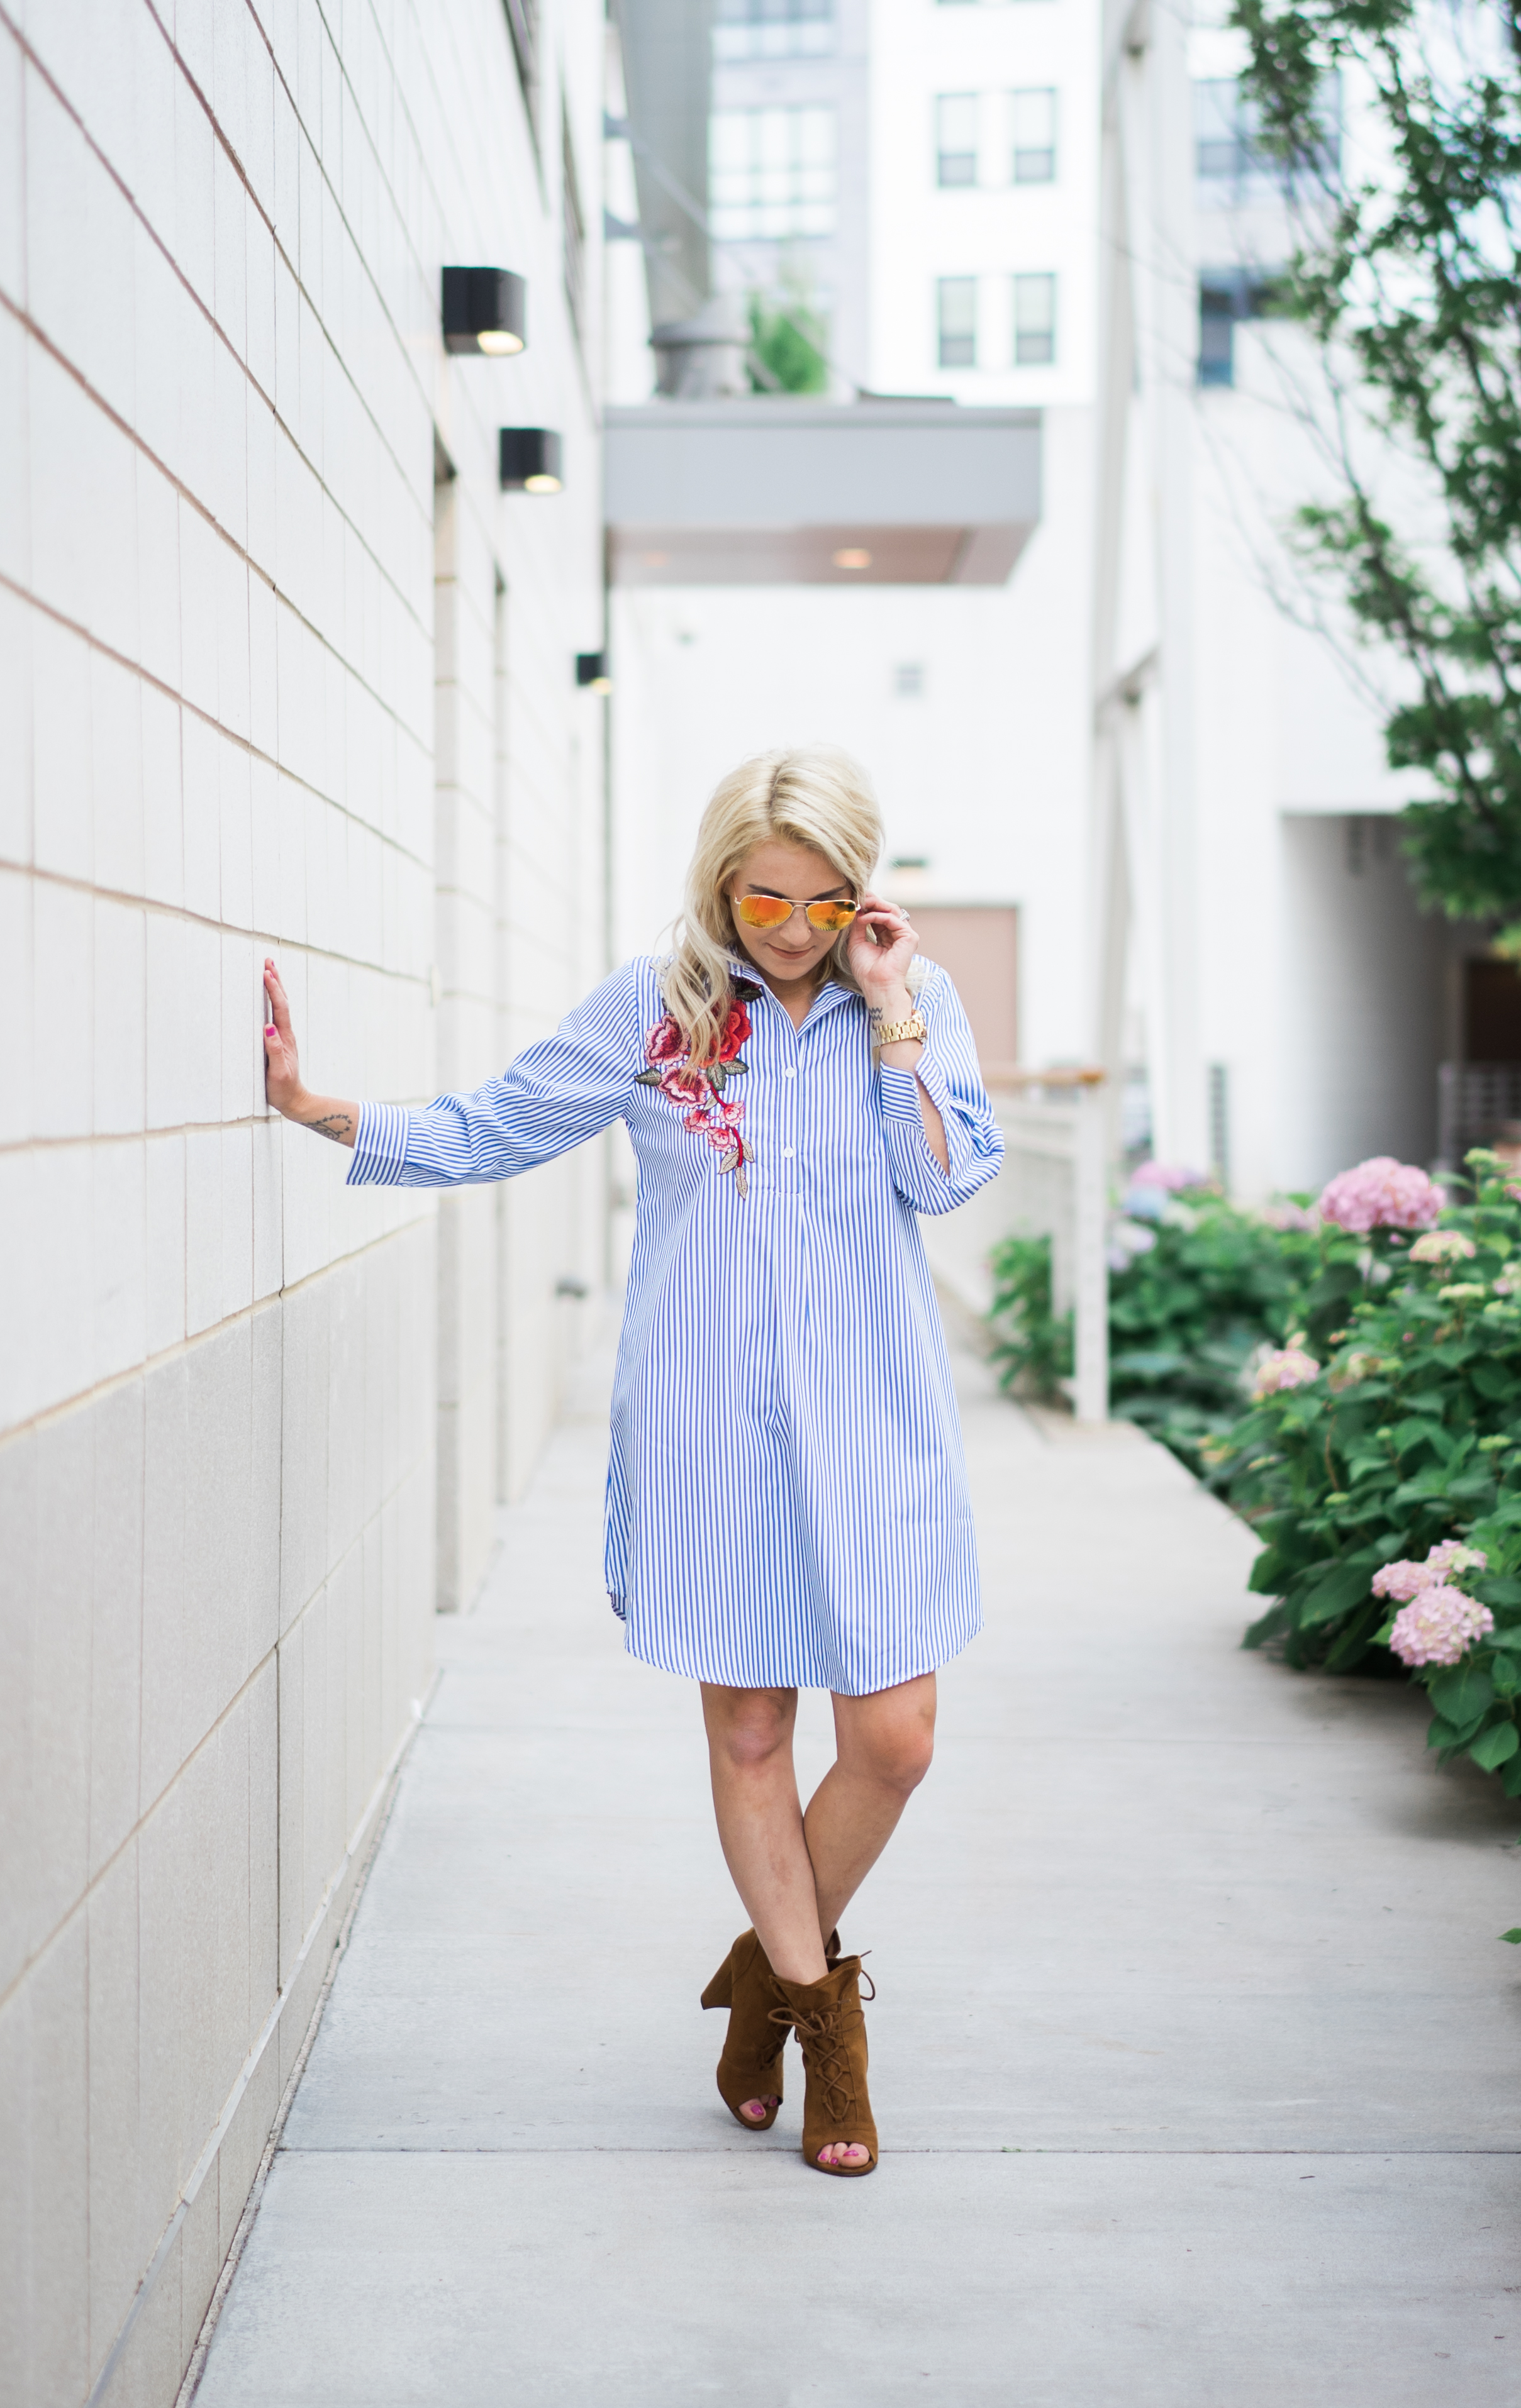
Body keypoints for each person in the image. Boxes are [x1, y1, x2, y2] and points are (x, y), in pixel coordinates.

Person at [262, 746, 1002, 2176]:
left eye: (821, 900)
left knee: (893, 1741)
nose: (789, 929)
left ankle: (764, 1978)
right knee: (748, 1734)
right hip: (707, 1421)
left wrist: (894, 1007)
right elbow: (499, 1123)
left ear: (863, 893)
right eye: (762, 897)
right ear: (720, 879)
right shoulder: (654, 1010)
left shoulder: (904, 1002)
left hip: (872, 1420)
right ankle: (827, 2038)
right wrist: (319, 1110)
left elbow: (943, 1176)